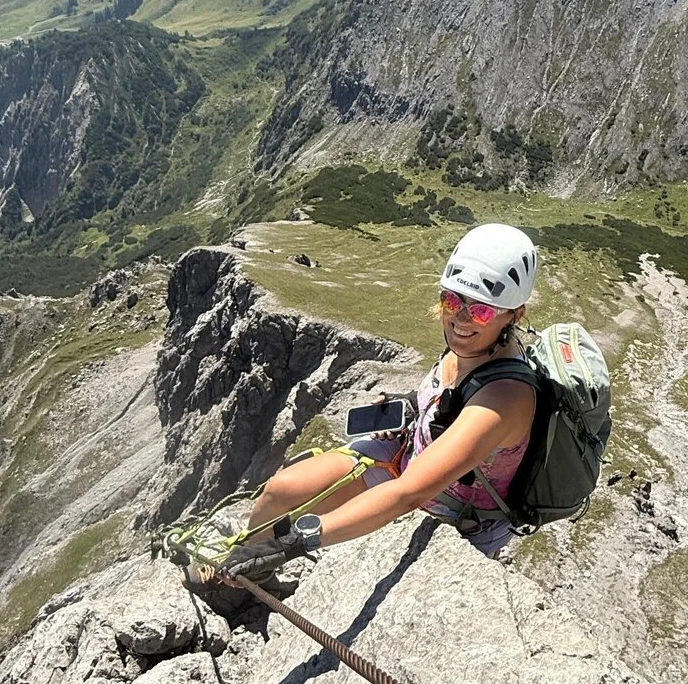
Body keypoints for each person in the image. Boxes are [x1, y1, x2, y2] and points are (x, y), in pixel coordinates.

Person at [194, 223, 540, 587]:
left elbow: (410, 493)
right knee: (279, 492)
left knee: (303, 532)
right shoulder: (472, 346)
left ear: (513, 315)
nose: (460, 318)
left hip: (454, 511)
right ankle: (248, 569)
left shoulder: (505, 396)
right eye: (451, 301)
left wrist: (295, 543)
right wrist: (410, 403)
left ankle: (251, 567)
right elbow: (449, 396)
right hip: (405, 456)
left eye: (482, 312)